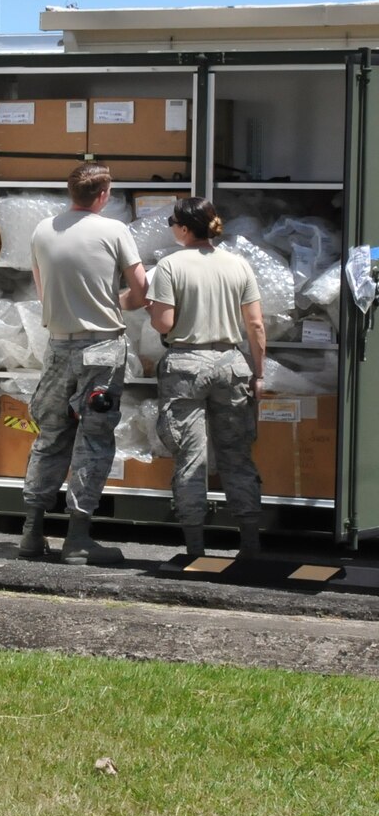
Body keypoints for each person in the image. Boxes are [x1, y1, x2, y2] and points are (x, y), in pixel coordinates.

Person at [20, 162, 148, 564]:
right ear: (104, 195)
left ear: (69, 192)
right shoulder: (115, 231)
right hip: (102, 350)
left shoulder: (43, 229)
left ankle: (31, 531)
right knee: (93, 440)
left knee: (50, 436)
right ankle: (77, 537)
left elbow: (42, 291)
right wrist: (114, 302)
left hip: (58, 348)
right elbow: (141, 290)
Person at [146, 196, 266, 558]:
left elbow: (164, 324)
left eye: (172, 222)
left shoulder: (169, 265)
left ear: (183, 228)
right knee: (237, 455)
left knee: (191, 456)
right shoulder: (238, 265)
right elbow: (256, 325)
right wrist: (258, 374)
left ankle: (195, 547)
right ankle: (250, 542)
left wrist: (153, 308)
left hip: (185, 365)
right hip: (231, 363)